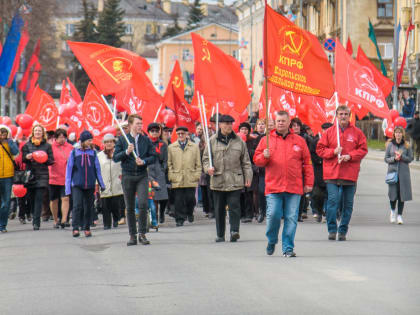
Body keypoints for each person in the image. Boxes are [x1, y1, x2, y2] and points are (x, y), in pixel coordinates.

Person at [254, 111, 314, 257]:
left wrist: (309, 183)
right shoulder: (266, 140)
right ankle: (272, 239)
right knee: (273, 215)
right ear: (275, 122)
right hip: (274, 186)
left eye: (283, 121)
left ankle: (288, 248)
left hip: (294, 187)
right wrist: (264, 156)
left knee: (291, 217)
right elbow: (257, 160)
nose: (280, 123)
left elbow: (307, 163)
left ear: (289, 123)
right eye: (278, 121)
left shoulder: (299, 141)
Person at [316, 105, 368, 241]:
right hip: (332, 173)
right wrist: (333, 152)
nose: (343, 116)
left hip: (349, 174)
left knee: (348, 204)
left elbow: (363, 150)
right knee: (332, 202)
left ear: (349, 115)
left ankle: (343, 230)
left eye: (346, 114)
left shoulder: (357, 132)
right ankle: (332, 229)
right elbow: (320, 149)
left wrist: (350, 156)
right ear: (336, 115)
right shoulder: (329, 132)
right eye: (341, 114)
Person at [202, 115, 253, 243]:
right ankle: (220, 234)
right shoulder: (212, 141)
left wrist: (248, 176)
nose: (228, 126)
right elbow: (206, 159)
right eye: (226, 123)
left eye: (230, 123)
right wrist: (208, 168)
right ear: (220, 125)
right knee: (219, 209)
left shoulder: (239, 141)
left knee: (234, 206)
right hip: (218, 180)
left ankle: (234, 231)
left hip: (235, 180)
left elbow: (246, 162)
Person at [113, 114, 156, 246]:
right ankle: (132, 235)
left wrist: (144, 161)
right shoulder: (122, 140)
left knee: (143, 204)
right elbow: (115, 157)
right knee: (130, 206)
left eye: (141, 124)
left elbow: (153, 156)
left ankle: (142, 233)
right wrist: (126, 152)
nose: (140, 126)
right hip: (128, 176)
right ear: (130, 125)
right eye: (137, 124)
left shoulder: (145, 140)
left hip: (142, 176)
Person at [65, 130, 105, 237]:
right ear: (82, 141)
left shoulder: (93, 153)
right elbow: (69, 170)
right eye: (88, 140)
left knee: (89, 207)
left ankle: (87, 227)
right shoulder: (74, 152)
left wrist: (101, 183)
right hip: (77, 184)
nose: (90, 142)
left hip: (90, 184)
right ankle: (75, 227)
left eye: (91, 140)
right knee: (77, 205)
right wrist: (67, 188)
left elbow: (97, 169)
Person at [22, 125, 54, 230]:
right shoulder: (27, 145)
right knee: (31, 198)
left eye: (39, 131)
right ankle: (32, 213)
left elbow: (51, 160)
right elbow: (23, 159)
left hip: (42, 175)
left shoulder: (47, 146)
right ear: (33, 132)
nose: (37, 132)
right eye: (36, 130)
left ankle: (36, 222)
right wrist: (27, 157)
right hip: (31, 175)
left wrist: (44, 159)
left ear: (42, 133)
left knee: (39, 198)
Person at [168, 126, 202, 226]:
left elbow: (198, 163)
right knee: (178, 199)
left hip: (190, 176)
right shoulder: (171, 147)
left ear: (187, 134)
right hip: (177, 177)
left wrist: (197, 175)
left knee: (190, 198)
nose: (181, 135)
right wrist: (171, 175)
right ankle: (179, 218)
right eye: (179, 134)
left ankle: (190, 212)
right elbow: (169, 163)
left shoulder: (194, 147)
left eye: (183, 133)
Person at [384, 127, 413, 224]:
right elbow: (386, 159)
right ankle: (392, 211)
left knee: (402, 195)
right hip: (392, 173)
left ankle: (400, 216)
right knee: (393, 194)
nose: (398, 134)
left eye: (400, 133)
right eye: (396, 133)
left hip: (404, 174)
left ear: (402, 134)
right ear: (394, 134)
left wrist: (402, 157)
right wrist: (394, 159)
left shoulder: (407, 145)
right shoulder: (390, 145)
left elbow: (410, 158)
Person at [98, 133, 124, 230]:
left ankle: (116, 219)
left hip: (116, 183)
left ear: (114, 143)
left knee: (115, 204)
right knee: (105, 205)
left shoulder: (118, 154)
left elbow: (122, 168)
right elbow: (97, 170)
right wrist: (97, 184)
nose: (109, 144)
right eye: (106, 142)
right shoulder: (99, 156)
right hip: (104, 183)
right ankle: (106, 223)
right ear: (104, 143)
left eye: (111, 142)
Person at [49, 128, 73, 229]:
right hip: (53, 177)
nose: (62, 139)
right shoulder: (50, 147)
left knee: (65, 198)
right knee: (54, 200)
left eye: (64, 137)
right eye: (59, 137)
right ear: (55, 138)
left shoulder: (70, 147)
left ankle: (64, 219)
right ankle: (55, 219)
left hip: (66, 177)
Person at [310, 122, 333, 223]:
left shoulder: (335, 142)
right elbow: (312, 154)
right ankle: (318, 211)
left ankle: (326, 212)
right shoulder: (316, 141)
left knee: (329, 194)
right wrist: (321, 160)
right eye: (325, 130)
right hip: (319, 171)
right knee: (317, 194)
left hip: (331, 172)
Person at [147, 123, 169, 225]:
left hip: (160, 171)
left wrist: (163, 169)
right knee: (153, 197)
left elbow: (165, 159)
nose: (154, 133)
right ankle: (154, 216)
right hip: (149, 172)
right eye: (152, 131)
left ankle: (162, 212)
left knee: (163, 197)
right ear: (149, 132)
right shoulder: (146, 143)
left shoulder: (163, 144)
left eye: (156, 131)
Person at [0, 125, 19, 233]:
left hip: (8, 175)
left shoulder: (10, 143)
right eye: (0, 133)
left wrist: (10, 142)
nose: (2, 135)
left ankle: (2, 225)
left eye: (4, 133)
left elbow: (16, 152)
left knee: (6, 202)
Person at [238, 122, 258, 222]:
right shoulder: (235, 141)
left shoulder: (253, 141)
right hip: (238, 171)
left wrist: (245, 149)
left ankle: (249, 214)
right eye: (242, 129)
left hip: (250, 170)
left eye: (246, 129)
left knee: (248, 193)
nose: (244, 131)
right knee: (240, 193)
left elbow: (254, 154)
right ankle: (241, 214)